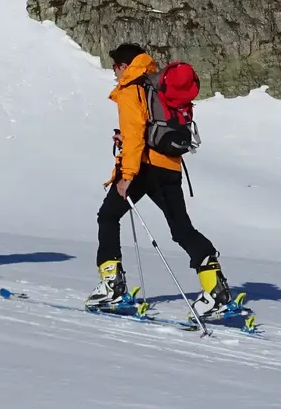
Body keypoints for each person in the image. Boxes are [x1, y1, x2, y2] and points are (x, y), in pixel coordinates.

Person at [88, 42, 229, 313]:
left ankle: (111, 287)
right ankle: (215, 288)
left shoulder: (131, 89)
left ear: (125, 66)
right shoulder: (156, 85)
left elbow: (135, 135)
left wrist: (127, 175)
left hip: (143, 167)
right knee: (181, 228)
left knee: (107, 217)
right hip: (170, 165)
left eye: (116, 67)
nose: (115, 73)